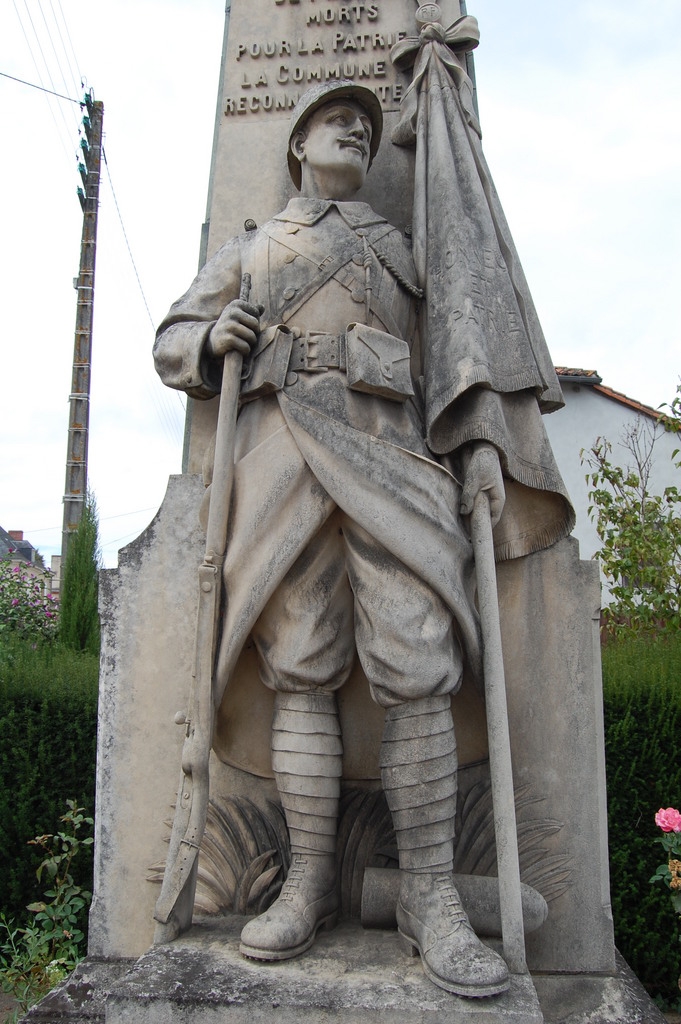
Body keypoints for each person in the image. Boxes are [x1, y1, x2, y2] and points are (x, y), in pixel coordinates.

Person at [154, 80, 572, 998]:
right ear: (297, 145)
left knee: (418, 657)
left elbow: (457, 367)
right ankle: (306, 885)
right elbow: (173, 338)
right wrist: (208, 336)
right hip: (283, 458)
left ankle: (429, 895)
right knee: (299, 661)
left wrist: (479, 456)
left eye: (365, 125)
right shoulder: (254, 246)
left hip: (394, 457)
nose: (353, 130)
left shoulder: (407, 251)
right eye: (335, 121)